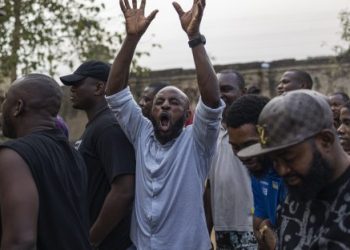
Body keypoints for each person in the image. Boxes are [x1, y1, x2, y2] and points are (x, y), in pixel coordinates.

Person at [105, 0, 225, 249]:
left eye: (175, 102)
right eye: (160, 102)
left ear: (188, 112)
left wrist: (194, 38)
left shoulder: (196, 142)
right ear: (150, 110)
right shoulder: (142, 133)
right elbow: (115, 92)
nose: (166, 106)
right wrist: (131, 39)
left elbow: (212, 100)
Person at [238, 89, 350, 249]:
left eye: (289, 157)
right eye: (274, 160)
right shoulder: (297, 195)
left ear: (325, 140)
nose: (281, 170)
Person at [0, 74, 91, 249]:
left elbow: (21, 242)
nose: (2, 108)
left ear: (18, 107)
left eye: (5, 101)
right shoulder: (72, 153)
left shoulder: (13, 156)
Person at [60, 60, 136, 250]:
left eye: (77, 84)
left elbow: (124, 190)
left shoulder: (108, 127)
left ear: (99, 87)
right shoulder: (97, 126)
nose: (72, 89)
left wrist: (91, 240)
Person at [204, 70, 256, 249]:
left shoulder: (257, 131)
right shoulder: (210, 134)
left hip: (252, 229)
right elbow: (210, 186)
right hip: (222, 230)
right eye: (217, 90)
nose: (221, 95)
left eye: (226, 89)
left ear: (243, 92)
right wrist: (206, 233)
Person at [226, 95, 286, 250]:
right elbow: (259, 222)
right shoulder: (259, 171)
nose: (242, 155)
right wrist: (266, 229)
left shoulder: (296, 174)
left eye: (250, 145)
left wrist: (269, 233)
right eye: (235, 147)